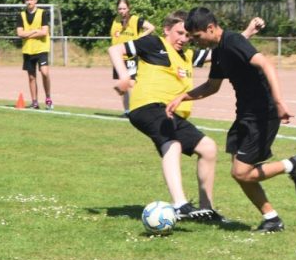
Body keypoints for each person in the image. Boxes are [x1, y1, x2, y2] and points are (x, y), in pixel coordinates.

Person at [110, 12, 263, 222]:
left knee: (208, 148)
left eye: (188, 35)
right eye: (179, 33)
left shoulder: (188, 56)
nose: (183, 38)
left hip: (170, 113)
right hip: (147, 106)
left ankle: (205, 210)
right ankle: (180, 204)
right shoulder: (154, 43)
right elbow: (115, 49)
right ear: (166, 30)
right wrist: (125, 76)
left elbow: (220, 49)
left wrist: (247, 33)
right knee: (172, 144)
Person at [166, 8, 296, 233]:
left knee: (241, 172)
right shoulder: (219, 51)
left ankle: (292, 165)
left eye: (197, 36)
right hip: (244, 115)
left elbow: (267, 64)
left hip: (263, 114)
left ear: (210, 28)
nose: (195, 41)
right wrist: (183, 97)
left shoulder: (233, 41)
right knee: (240, 173)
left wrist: (279, 101)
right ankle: (271, 218)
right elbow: (212, 86)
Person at [109, 0, 154, 114]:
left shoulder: (135, 20)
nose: (122, 11)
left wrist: (139, 38)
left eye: (124, 8)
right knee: (123, 86)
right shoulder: (115, 21)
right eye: (119, 9)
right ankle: (127, 110)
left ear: (128, 8)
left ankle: (136, 109)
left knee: (131, 83)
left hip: (130, 57)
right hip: (118, 59)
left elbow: (151, 27)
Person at [16, 0, 53, 110]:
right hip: (28, 50)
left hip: (41, 48)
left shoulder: (43, 13)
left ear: (36, 0)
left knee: (45, 72)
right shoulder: (21, 15)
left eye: (31, 0)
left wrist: (27, 34)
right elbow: (20, 33)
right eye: (27, 0)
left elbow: (44, 32)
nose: (29, 2)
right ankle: (34, 102)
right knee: (31, 77)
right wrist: (34, 31)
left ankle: (48, 98)